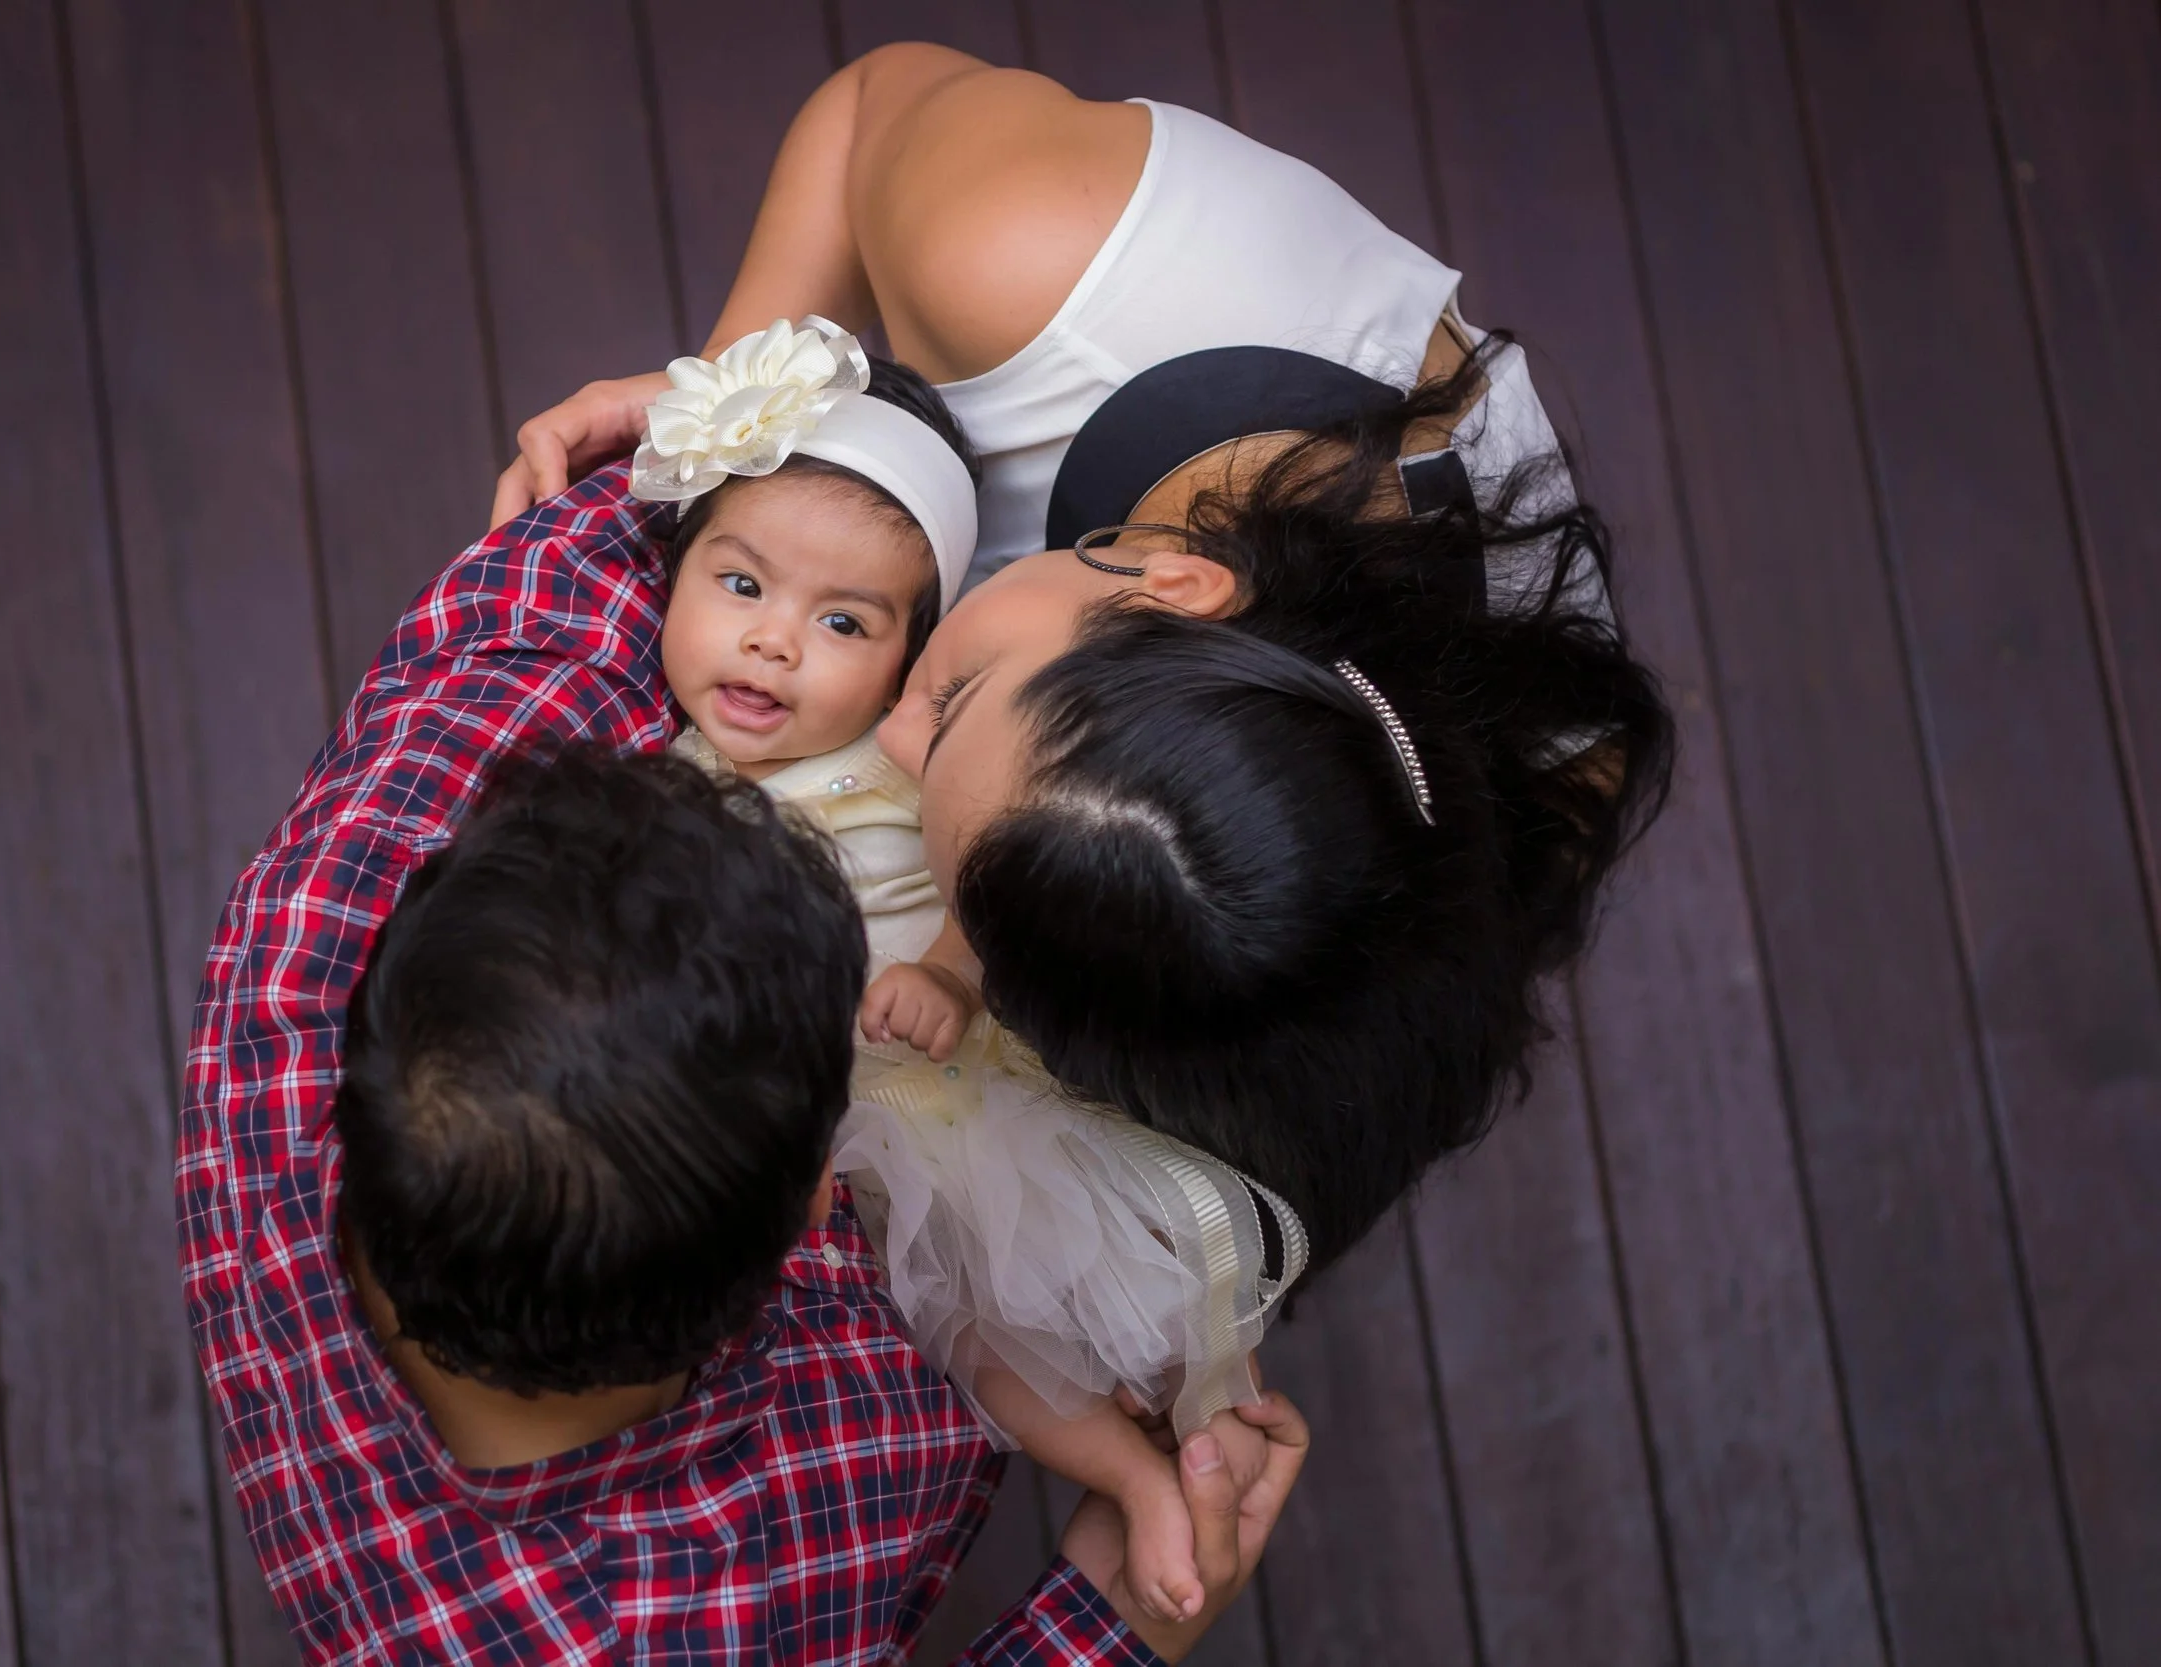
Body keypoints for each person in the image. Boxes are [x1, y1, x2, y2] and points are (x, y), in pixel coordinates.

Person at [490, 45, 1676, 1284]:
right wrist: (738, 413)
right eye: (950, 701)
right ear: (1175, 581)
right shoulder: (1021, 252)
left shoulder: (1436, 893)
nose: (886, 730)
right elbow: (862, 111)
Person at [179, 465, 1308, 1664]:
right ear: (820, 1207)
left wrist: (730, 437)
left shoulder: (296, 970)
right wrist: (1113, 1625)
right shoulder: (691, 1622)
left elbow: (553, 588)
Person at [626, 314, 1303, 1623]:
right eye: (741, 585)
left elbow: (999, 881)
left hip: (947, 1103)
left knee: (1070, 1309)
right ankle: (1146, 1462)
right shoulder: (660, 782)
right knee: (958, 1328)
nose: (771, 644)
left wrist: (946, 971)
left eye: (843, 619)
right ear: (678, 575)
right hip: (823, 1133)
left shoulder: (904, 761)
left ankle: (1178, 1445)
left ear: (908, 655)